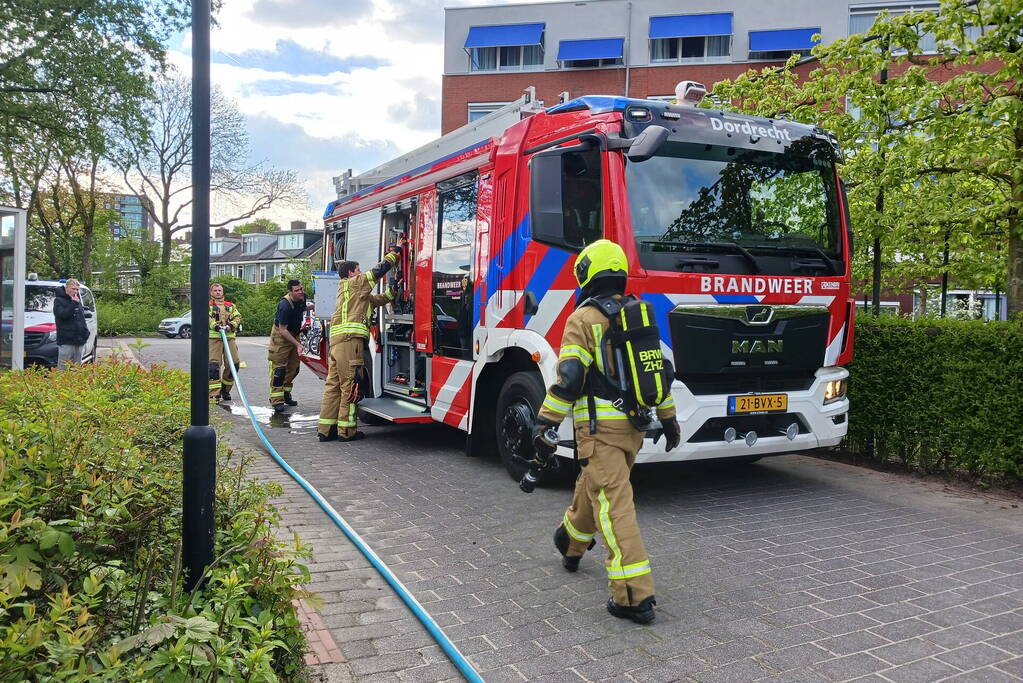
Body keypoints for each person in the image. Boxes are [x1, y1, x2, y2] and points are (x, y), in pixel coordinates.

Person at [533, 239, 681, 625]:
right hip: (634, 427)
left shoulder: (583, 319)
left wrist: (545, 421)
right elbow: (658, 374)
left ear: (586, 274)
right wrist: (669, 419)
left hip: (599, 430)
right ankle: (571, 541)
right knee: (595, 484)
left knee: (615, 508)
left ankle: (633, 595)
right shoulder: (639, 316)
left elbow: (569, 378)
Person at [317, 250, 399, 442]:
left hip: (337, 343)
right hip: (349, 342)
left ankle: (326, 430)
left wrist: (393, 292)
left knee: (333, 387)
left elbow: (375, 300)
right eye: (358, 270)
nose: (361, 272)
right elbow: (377, 271)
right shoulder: (355, 283)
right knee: (350, 386)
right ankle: (347, 431)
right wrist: (394, 254)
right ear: (351, 273)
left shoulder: (350, 291)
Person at [268, 279, 309, 412]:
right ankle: (276, 401)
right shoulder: (284, 305)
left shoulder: (303, 298)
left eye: (301, 289)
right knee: (279, 370)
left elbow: (302, 307)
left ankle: (285, 394)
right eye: (296, 290)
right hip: (281, 336)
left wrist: (316, 306)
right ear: (290, 292)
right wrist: (297, 344)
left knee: (294, 368)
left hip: (294, 333)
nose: (300, 292)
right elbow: (282, 330)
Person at [208, 283, 242, 402]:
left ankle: (225, 389)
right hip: (214, 339)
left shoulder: (230, 305)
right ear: (211, 292)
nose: (218, 292)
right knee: (213, 366)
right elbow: (207, 318)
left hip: (229, 338)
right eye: (215, 290)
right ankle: (214, 393)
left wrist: (231, 325)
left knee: (234, 363)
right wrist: (214, 326)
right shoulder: (208, 306)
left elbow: (237, 317)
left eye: (220, 290)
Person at [53, 278, 89, 369]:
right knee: (63, 369)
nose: (75, 291)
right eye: (73, 289)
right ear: (66, 288)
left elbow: (81, 318)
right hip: (67, 341)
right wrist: (73, 303)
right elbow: (63, 315)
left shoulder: (77, 300)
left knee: (77, 368)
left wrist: (86, 332)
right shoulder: (58, 300)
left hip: (79, 340)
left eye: (77, 289)